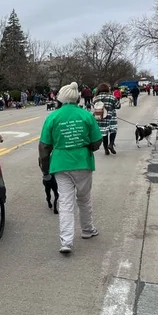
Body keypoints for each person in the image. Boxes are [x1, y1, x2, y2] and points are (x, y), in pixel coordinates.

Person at [38, 82, 102, 254]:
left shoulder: (52, 117)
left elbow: (44, 147)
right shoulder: (86, 115)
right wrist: (87, 146)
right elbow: (96, 142)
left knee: (65, 202)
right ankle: (87, 230)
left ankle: (66, 241)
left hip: (60, 164)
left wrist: (45, 168)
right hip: (83, 162)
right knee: (84, 198)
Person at [93, 83, 121, 155]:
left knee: (104, 133)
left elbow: (94, 106)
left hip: (100, 117)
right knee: (113, 130)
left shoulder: (96, 98)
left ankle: (106, 149)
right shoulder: (111, 97)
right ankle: (111, 144)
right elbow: (118, 106)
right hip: (111, 117)